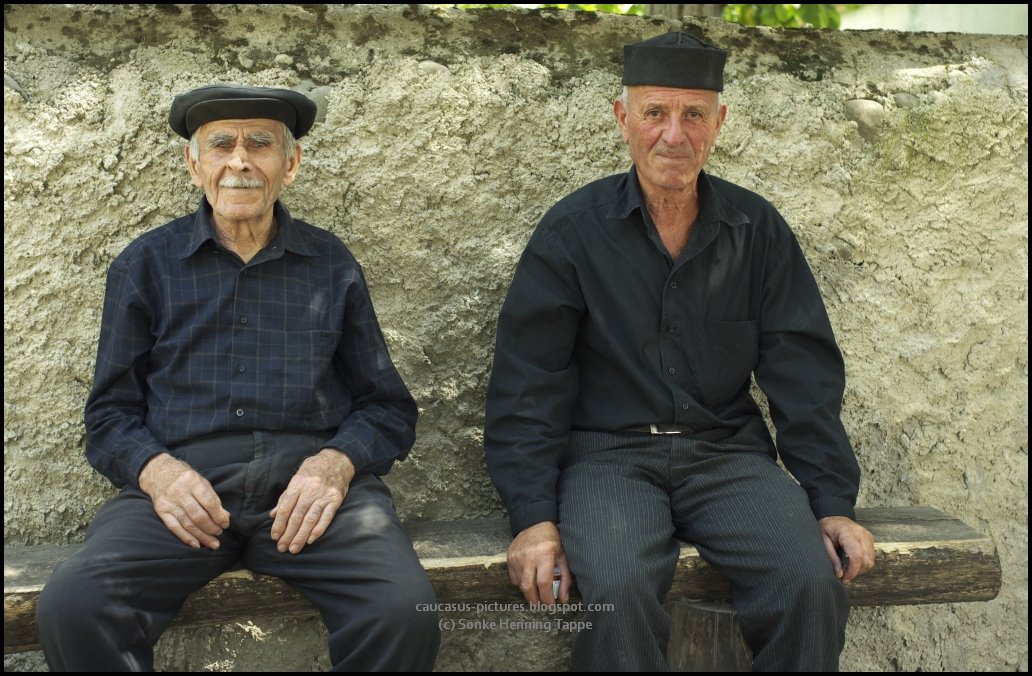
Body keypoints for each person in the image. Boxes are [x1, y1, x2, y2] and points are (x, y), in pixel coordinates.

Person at [485, 32, 876, 671]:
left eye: (693, 114)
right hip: (608, 457)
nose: (674, 133)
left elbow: (803, 377)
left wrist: (832, 502)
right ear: (623, 119)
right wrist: (532, 516)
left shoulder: (758, 231)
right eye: (655, 113)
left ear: (719, 122)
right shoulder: (571, 232)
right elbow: (529, 383)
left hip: (727, 455)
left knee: (810, 581)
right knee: (615, 591)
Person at [36, 84, 440, 671]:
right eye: (221, 144)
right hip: (185, 489)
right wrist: (159, 473)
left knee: (402, 609)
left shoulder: (331, 265)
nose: (240, 160)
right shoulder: (146, 265)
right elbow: (107, 418)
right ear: (193, 163)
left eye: (261, 144)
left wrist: (334, 466)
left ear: (291, 164)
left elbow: (387, 407)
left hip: (308, 493)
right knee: (75, 604)